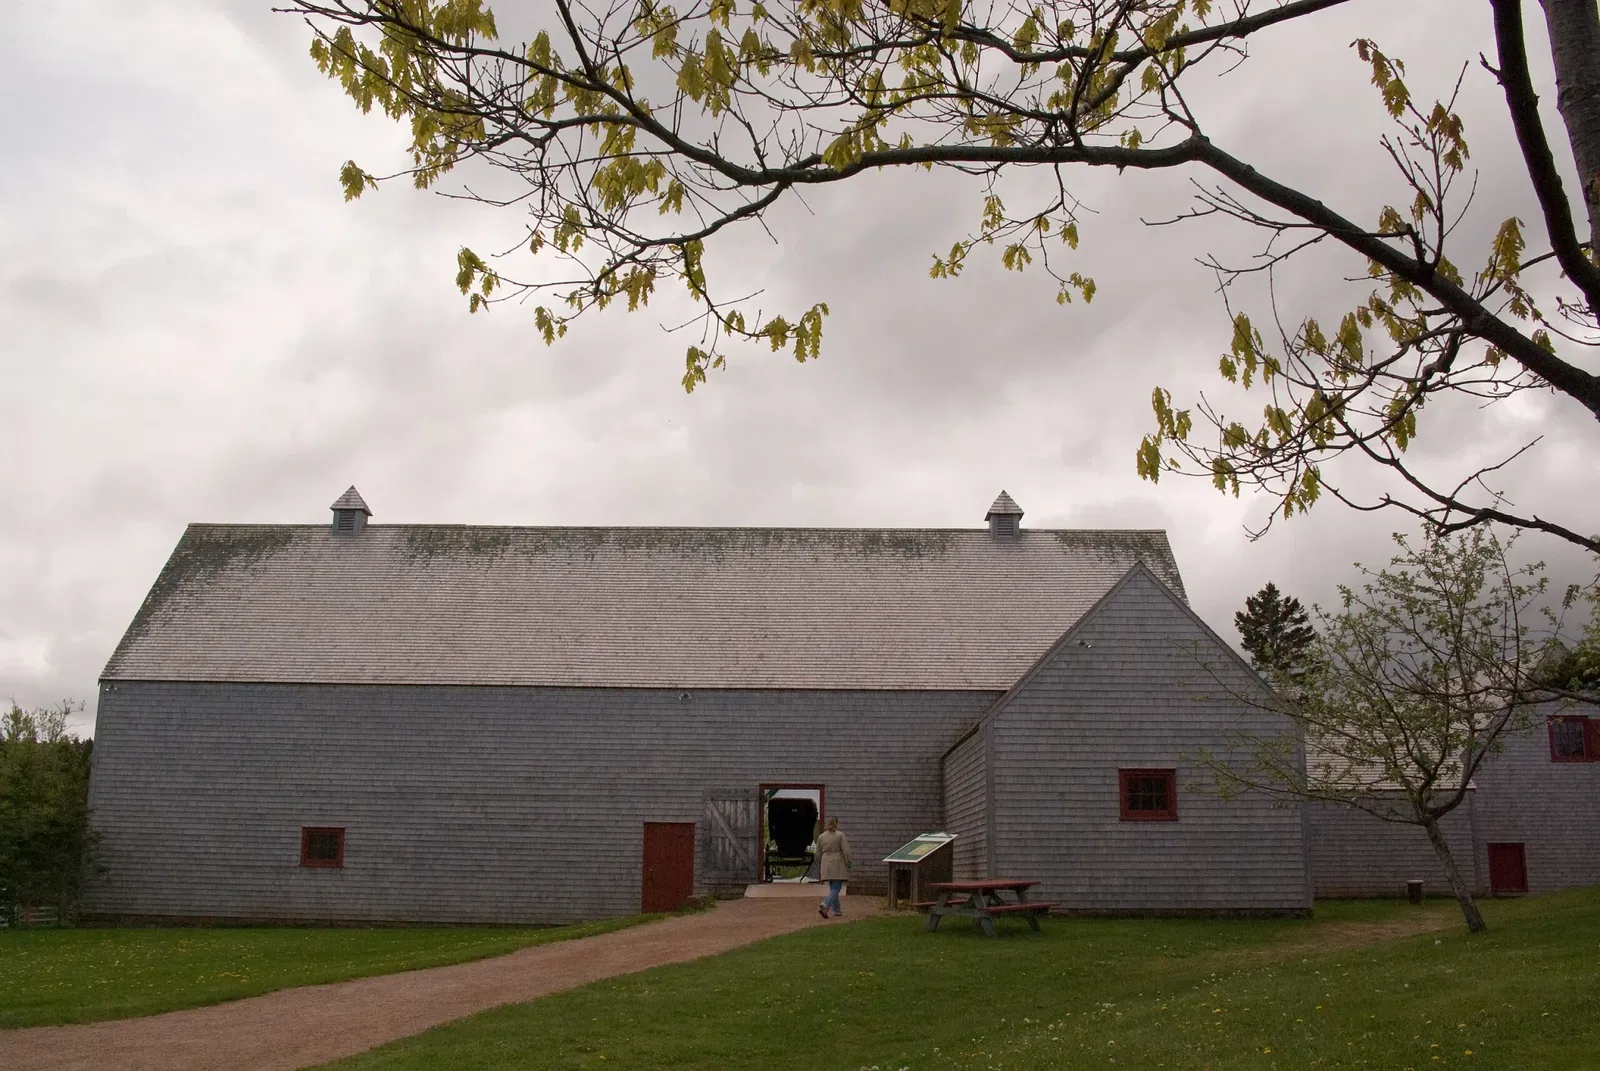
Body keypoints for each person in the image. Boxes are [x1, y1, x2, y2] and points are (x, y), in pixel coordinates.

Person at [816, 817, 852, 919]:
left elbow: (818, 852)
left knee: (833, 887)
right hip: (837, 862)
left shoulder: (821, 837)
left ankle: (837, 910)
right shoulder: (840, 835)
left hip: (825, 861)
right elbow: (846, 851)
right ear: (836, 823)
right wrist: (848, 862)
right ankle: (825, 904)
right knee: (837, 887)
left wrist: (820, 864)